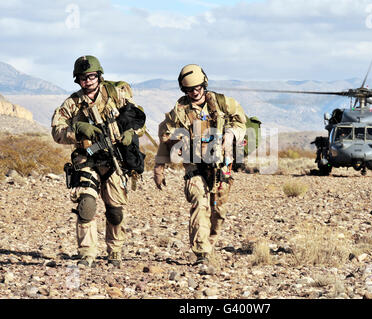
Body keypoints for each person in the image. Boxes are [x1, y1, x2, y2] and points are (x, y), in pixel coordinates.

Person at [51, 55, 145, 268]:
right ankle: (87, 254)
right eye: (83, 78)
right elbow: (57, 131)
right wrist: (76, 130)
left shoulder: (115, 95)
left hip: (114, 161)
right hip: (87, 159)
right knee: (87, 205)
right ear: (78, 80)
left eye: (91, 76)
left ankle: (115, 251)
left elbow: (138, 119)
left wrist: (131, 133)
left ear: (99, 76)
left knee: (115, 211)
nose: (88, 81)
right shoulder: (72, 103)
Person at [154, 64, 246, 265]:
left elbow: (241, 122)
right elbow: (165, 137)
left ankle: (209, 242)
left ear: (204, 84)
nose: (194, 93)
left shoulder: (222, 103)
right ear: (183, 90)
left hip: (220, 166)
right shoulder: (178, 112)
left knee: (218, 211)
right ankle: (202, 253)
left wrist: (231, 135)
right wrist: (159, 167)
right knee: (198, 200)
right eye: (189, 90)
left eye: (198, 88)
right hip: (194, 166)